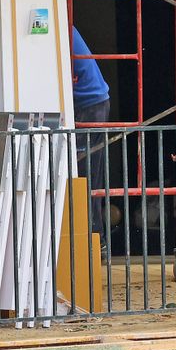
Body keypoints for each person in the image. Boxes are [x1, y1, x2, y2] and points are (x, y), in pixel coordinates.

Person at [70, 26, 113, 249]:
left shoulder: (57, 27)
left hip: (90, 104)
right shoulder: (59, 24)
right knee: (85, 173)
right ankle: (95, 239)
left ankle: (95, 239)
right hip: (90, 102)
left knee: (85, 174)